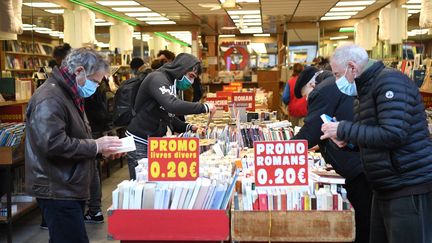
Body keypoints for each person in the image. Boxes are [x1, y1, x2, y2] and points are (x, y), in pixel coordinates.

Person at [321, 44, 432, 243]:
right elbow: (375, 135)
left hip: (407, 184)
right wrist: (350, 142)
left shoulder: (390, 82)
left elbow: (394, 133)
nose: (336, 81)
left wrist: (343, 129)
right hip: (384, 185)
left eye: (337, 74)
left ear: (352, 67)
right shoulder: (363, 90)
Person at [25, 47, 124, 243]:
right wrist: (95, 146)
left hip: (68, 184)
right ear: (79, 71)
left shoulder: (68, 93)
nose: (96, 87)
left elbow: (75, 135)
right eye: (95, 81)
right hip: (58, 188)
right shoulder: (50, 98)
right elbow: (52, 144)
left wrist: (100, 151)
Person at [292, 66, 372, 243]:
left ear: (312, 84)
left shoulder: (322, 90)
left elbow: (310, 132)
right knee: (365, 217)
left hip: (354, 165)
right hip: (360, 160)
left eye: (306, 95)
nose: (307, 100)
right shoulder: (332, 84)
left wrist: (283, 150)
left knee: (362, 219)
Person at [125, 53, 216, 180]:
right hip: (140, 141)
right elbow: (171, 105)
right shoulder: (157, 78)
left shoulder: (171, 83)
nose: (191, 81)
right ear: (181, 69)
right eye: (190, 76)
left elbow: (169, 116)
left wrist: (189, 127)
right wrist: (204, 107)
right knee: (142, 185)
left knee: (154, 184)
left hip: (153, 141)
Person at [83, 77, 114, 224]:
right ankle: (95, 208)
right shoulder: (101, 82)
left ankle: (94, 209)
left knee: (93, 169)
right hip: (99, 126)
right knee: (94, 169)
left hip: (92, 128)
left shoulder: (87, 83)